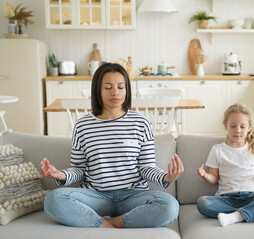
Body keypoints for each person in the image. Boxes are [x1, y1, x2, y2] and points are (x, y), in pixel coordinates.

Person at [40, 63, 184, 228]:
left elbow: (146, 167)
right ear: (98, 91)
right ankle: (106, 225)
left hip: (133, 196)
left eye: (120, 87)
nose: (115, 92)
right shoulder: (82, 126)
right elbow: (79, 170)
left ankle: (108, 223)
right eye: (108, 87)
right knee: (53, 200)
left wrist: (166, 177)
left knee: (170, 206)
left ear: (126, 90)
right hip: (96, 196)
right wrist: (60, 175)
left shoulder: (140, 123)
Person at [196, 103, 254, 227]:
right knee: (202, 203)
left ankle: (236, 216)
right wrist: (205, 175)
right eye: (233, 126)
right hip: (227, 199)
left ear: (249, 127)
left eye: (242, 126)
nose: (237, 130)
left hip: (252, 197)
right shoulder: (217, 149)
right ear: (226, 126)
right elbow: (213, 177)